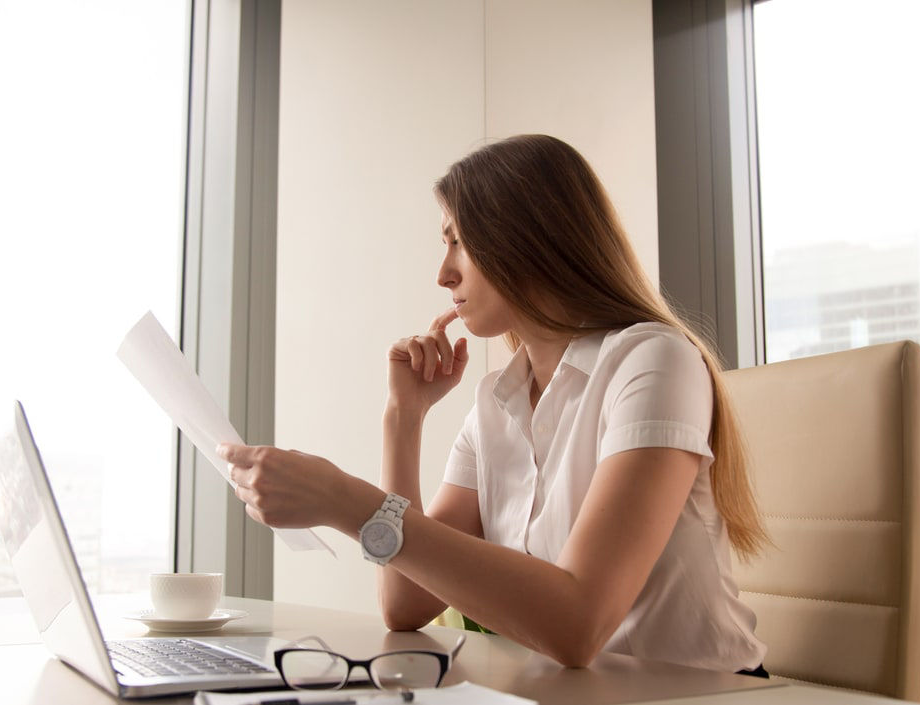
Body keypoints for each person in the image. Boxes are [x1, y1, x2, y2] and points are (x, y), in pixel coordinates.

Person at [217, 134, 769, 673]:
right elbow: (406, 602)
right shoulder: (495, 402)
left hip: (699, 695)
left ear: (528, 240)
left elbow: (578, 624)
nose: (444, 273)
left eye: (458, 240)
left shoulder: (652, 361)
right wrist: (403, 420)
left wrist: (345, 501)